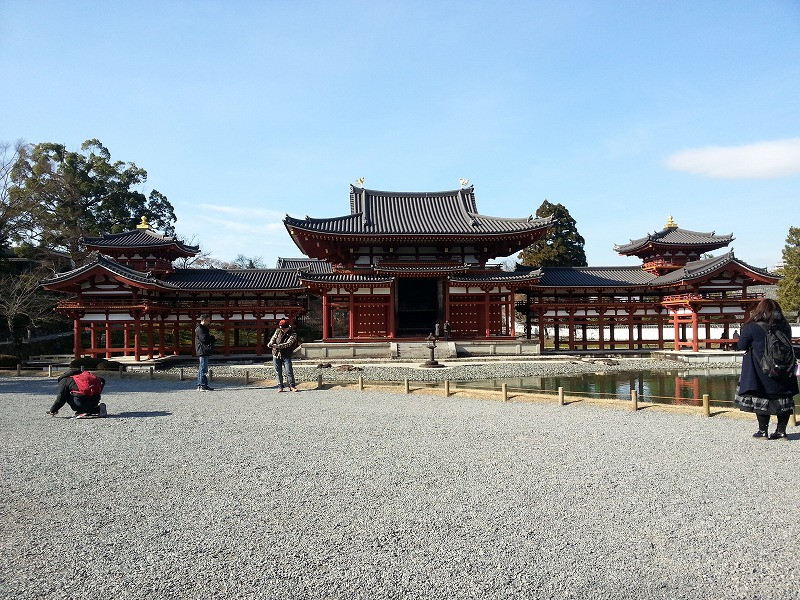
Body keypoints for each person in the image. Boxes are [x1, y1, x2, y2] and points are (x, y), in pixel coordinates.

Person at [735, 299, 798, 439]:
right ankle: (781, 432)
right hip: (784, 369)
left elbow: (742, 345)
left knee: (762, 398)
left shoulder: (752, 327)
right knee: (784, 399)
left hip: (761, 369)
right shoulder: (785, 326)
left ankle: (763, 431)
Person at [269, 319, 299, 392]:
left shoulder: (293, 333)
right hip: (276, 354)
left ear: (287, 327)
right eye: (281, 328)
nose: (282, 330)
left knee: (289, 371)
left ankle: (292, 386)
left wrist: (276, 346)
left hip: (286, 354)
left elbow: (288, 344)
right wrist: (270, 343)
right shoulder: (278, 331)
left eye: (284, 329)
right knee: (278, 371)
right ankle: (280, 386)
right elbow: (273, 338)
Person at [195, 314, 216, 392]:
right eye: (208, 321)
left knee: (203, 368)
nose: (209, 322)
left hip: (204, 350)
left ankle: (204, 385)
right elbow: (204, 339)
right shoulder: (199, 329)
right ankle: (201, 385)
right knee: (203, 368)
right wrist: (213, 337)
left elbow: (206, 339)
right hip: (202, 350)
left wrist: (213, 338)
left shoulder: (203, 328)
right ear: (203, 320)